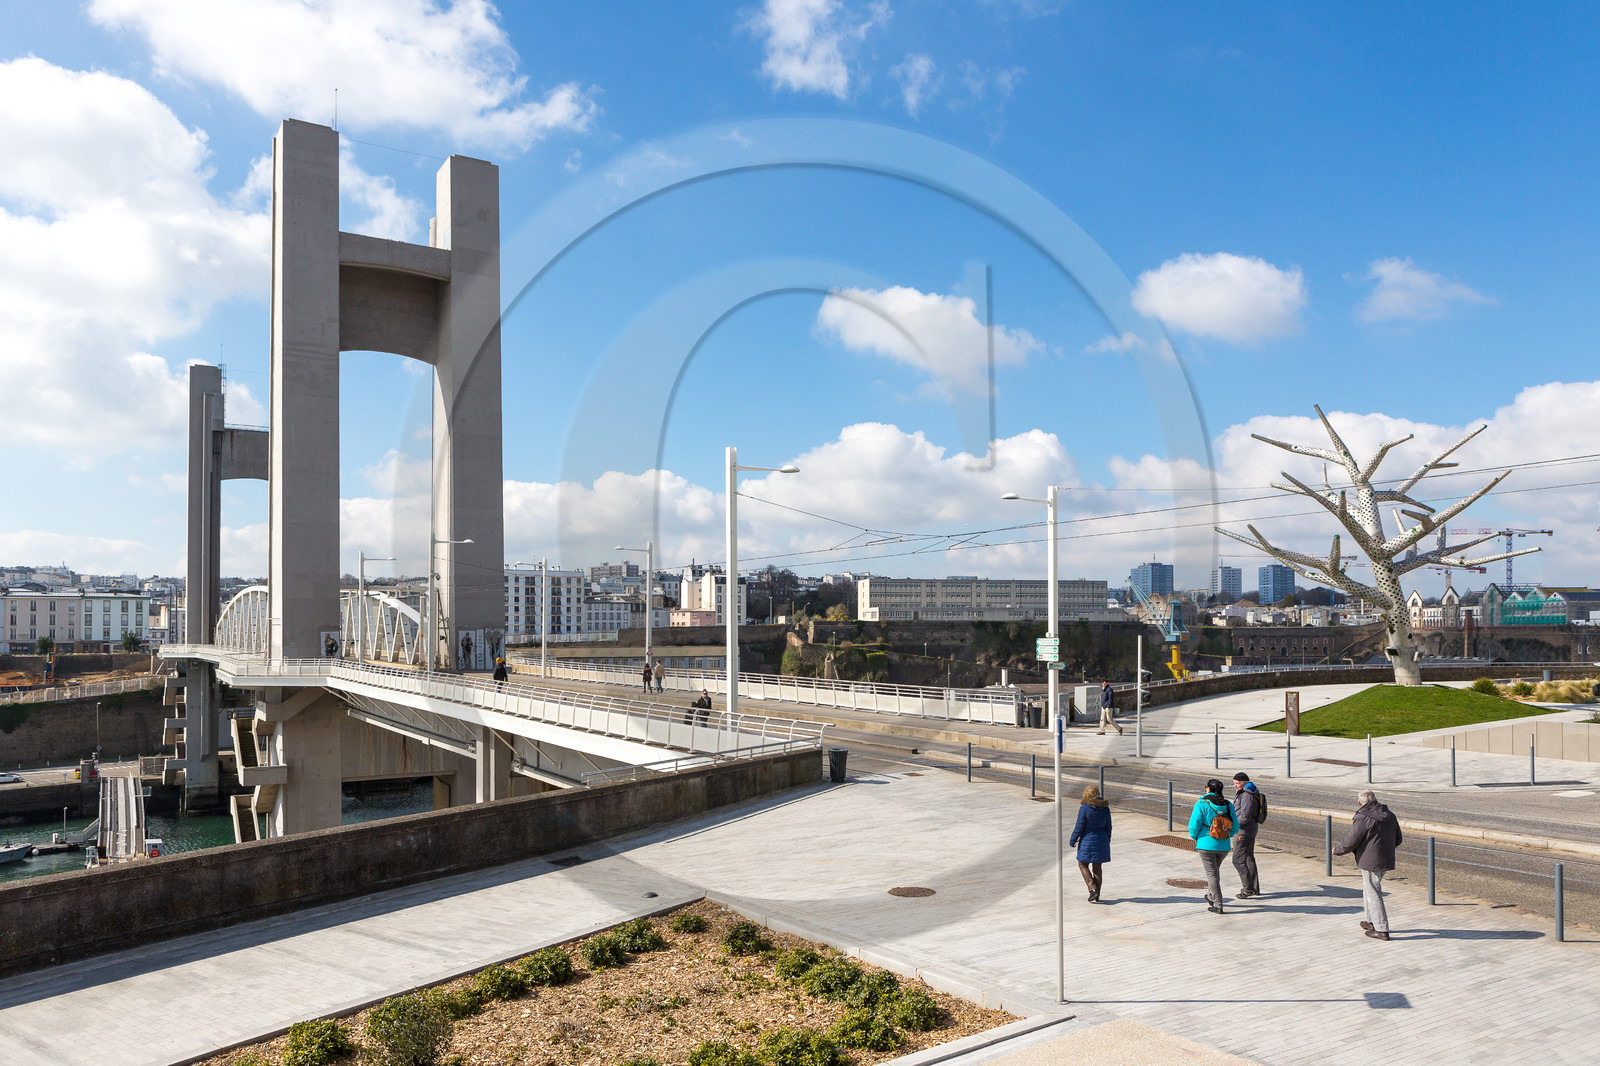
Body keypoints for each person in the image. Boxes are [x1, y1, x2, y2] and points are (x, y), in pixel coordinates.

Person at [1333, 789, 1402, 941]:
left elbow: (1352, 840)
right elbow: (1398, 839)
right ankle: (1370, 921)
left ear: (1359, 802)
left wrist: (1337, 850)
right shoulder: (1390, 815)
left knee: (1374, 894)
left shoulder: (1363, 817)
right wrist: (1384, 851)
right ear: (1375, 799)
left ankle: (1382, 930)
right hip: (1385, 859)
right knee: (1369, 889)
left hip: (1370, 862)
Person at [1187, 778, 1238, 913]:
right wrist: (1226, 835)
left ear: (1208, 788)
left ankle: (1218, 904)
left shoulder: (1201, 804)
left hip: (1206, 845)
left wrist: (1196, 837)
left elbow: (1194, 825)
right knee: (1214, 872)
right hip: (1223, 846)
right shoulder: (1227, 804)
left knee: (1212, 874)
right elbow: (1235, 826)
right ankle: (1210, 895)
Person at [1069, 783, 1112, 902]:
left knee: (1082, 864)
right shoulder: (1105, 808)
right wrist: (1107, 841)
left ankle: (1092, 888)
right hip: (1102, 840)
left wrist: (1073, 840)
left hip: (1087, 840)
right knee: (1097, 868)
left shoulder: (1085, 808)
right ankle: (1097, 894)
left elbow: (1079, 826)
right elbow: (1109, 827)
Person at [1232, 772, 1263, 897]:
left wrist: (1231, 824)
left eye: (1238, 783)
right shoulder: (1248, 792)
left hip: (1243, 832)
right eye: (1234, 783)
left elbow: (1244, 817)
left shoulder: (1246, 795)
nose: (1236, 785)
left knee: (1237, 860)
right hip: (1249, 830)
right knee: (1249, 858)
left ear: (1245, 783)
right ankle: (1254, 887)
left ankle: (1248, 888)